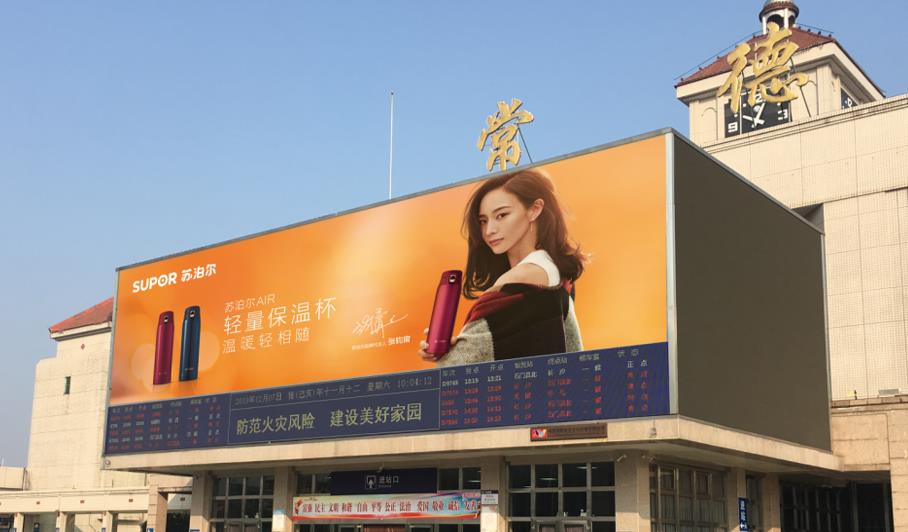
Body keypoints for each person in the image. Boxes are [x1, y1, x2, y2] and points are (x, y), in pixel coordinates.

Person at [419, 168, 586, 366]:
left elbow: (454, 368)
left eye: (502, 215)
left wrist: (448, 354)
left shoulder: (520, 279)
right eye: (483, 221)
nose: (489, 230)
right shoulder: (556, 273)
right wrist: (460, 345)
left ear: (534, 209)